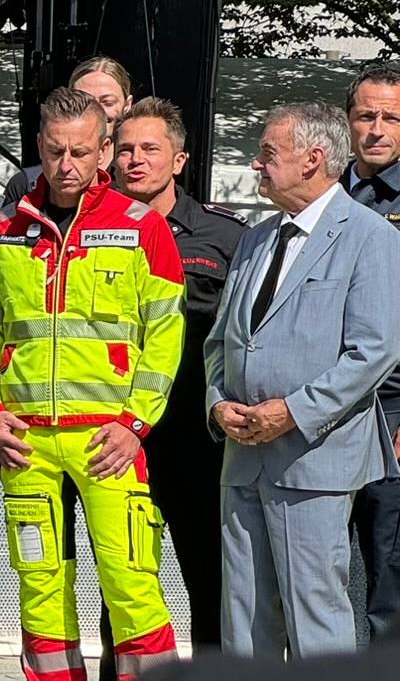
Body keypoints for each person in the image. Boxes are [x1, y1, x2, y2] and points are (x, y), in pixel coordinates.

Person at [0, 88, 186, 681]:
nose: (67, 166)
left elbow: (165, 338)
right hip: (26, 442)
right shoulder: (5, 227)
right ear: (39, 145)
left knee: (130, 582)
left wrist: (135, 423)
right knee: (39, 588)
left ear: (104, 152)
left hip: (109, 444)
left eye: (81, 152)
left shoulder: (142, 227)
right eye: (56, 150)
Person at [207, 102, 400, 660]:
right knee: (242, 613)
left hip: (314, 457)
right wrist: (218, 403)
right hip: (243, 453)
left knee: (314, 611)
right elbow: (221, 339)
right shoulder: (256, 238)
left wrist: (292, 411)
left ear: (313, 159)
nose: (256, 163)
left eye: (268, 153)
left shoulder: (369, 236)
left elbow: (375, 350)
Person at [106, 97, 245, 661]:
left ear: (179, 159)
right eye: (125, 149)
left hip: (193, 434)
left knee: (211, 581)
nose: (135, 160)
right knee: (125, 587)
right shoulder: (90, 228)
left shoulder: (228, 236)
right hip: (117, 438)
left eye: (150, 149)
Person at [337, 63, 400, 643]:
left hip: (393, 412)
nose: (377, 128)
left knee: (387, 575)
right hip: (324, 409)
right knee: (321, 571)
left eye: (390, 117)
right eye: (365, 115)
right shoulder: (321, 194)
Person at [1, 56, 134, 205]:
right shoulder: (27, 184)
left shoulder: (139, 175)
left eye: (107, 102)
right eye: (85, 102)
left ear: (127, 105)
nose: (97, 112)